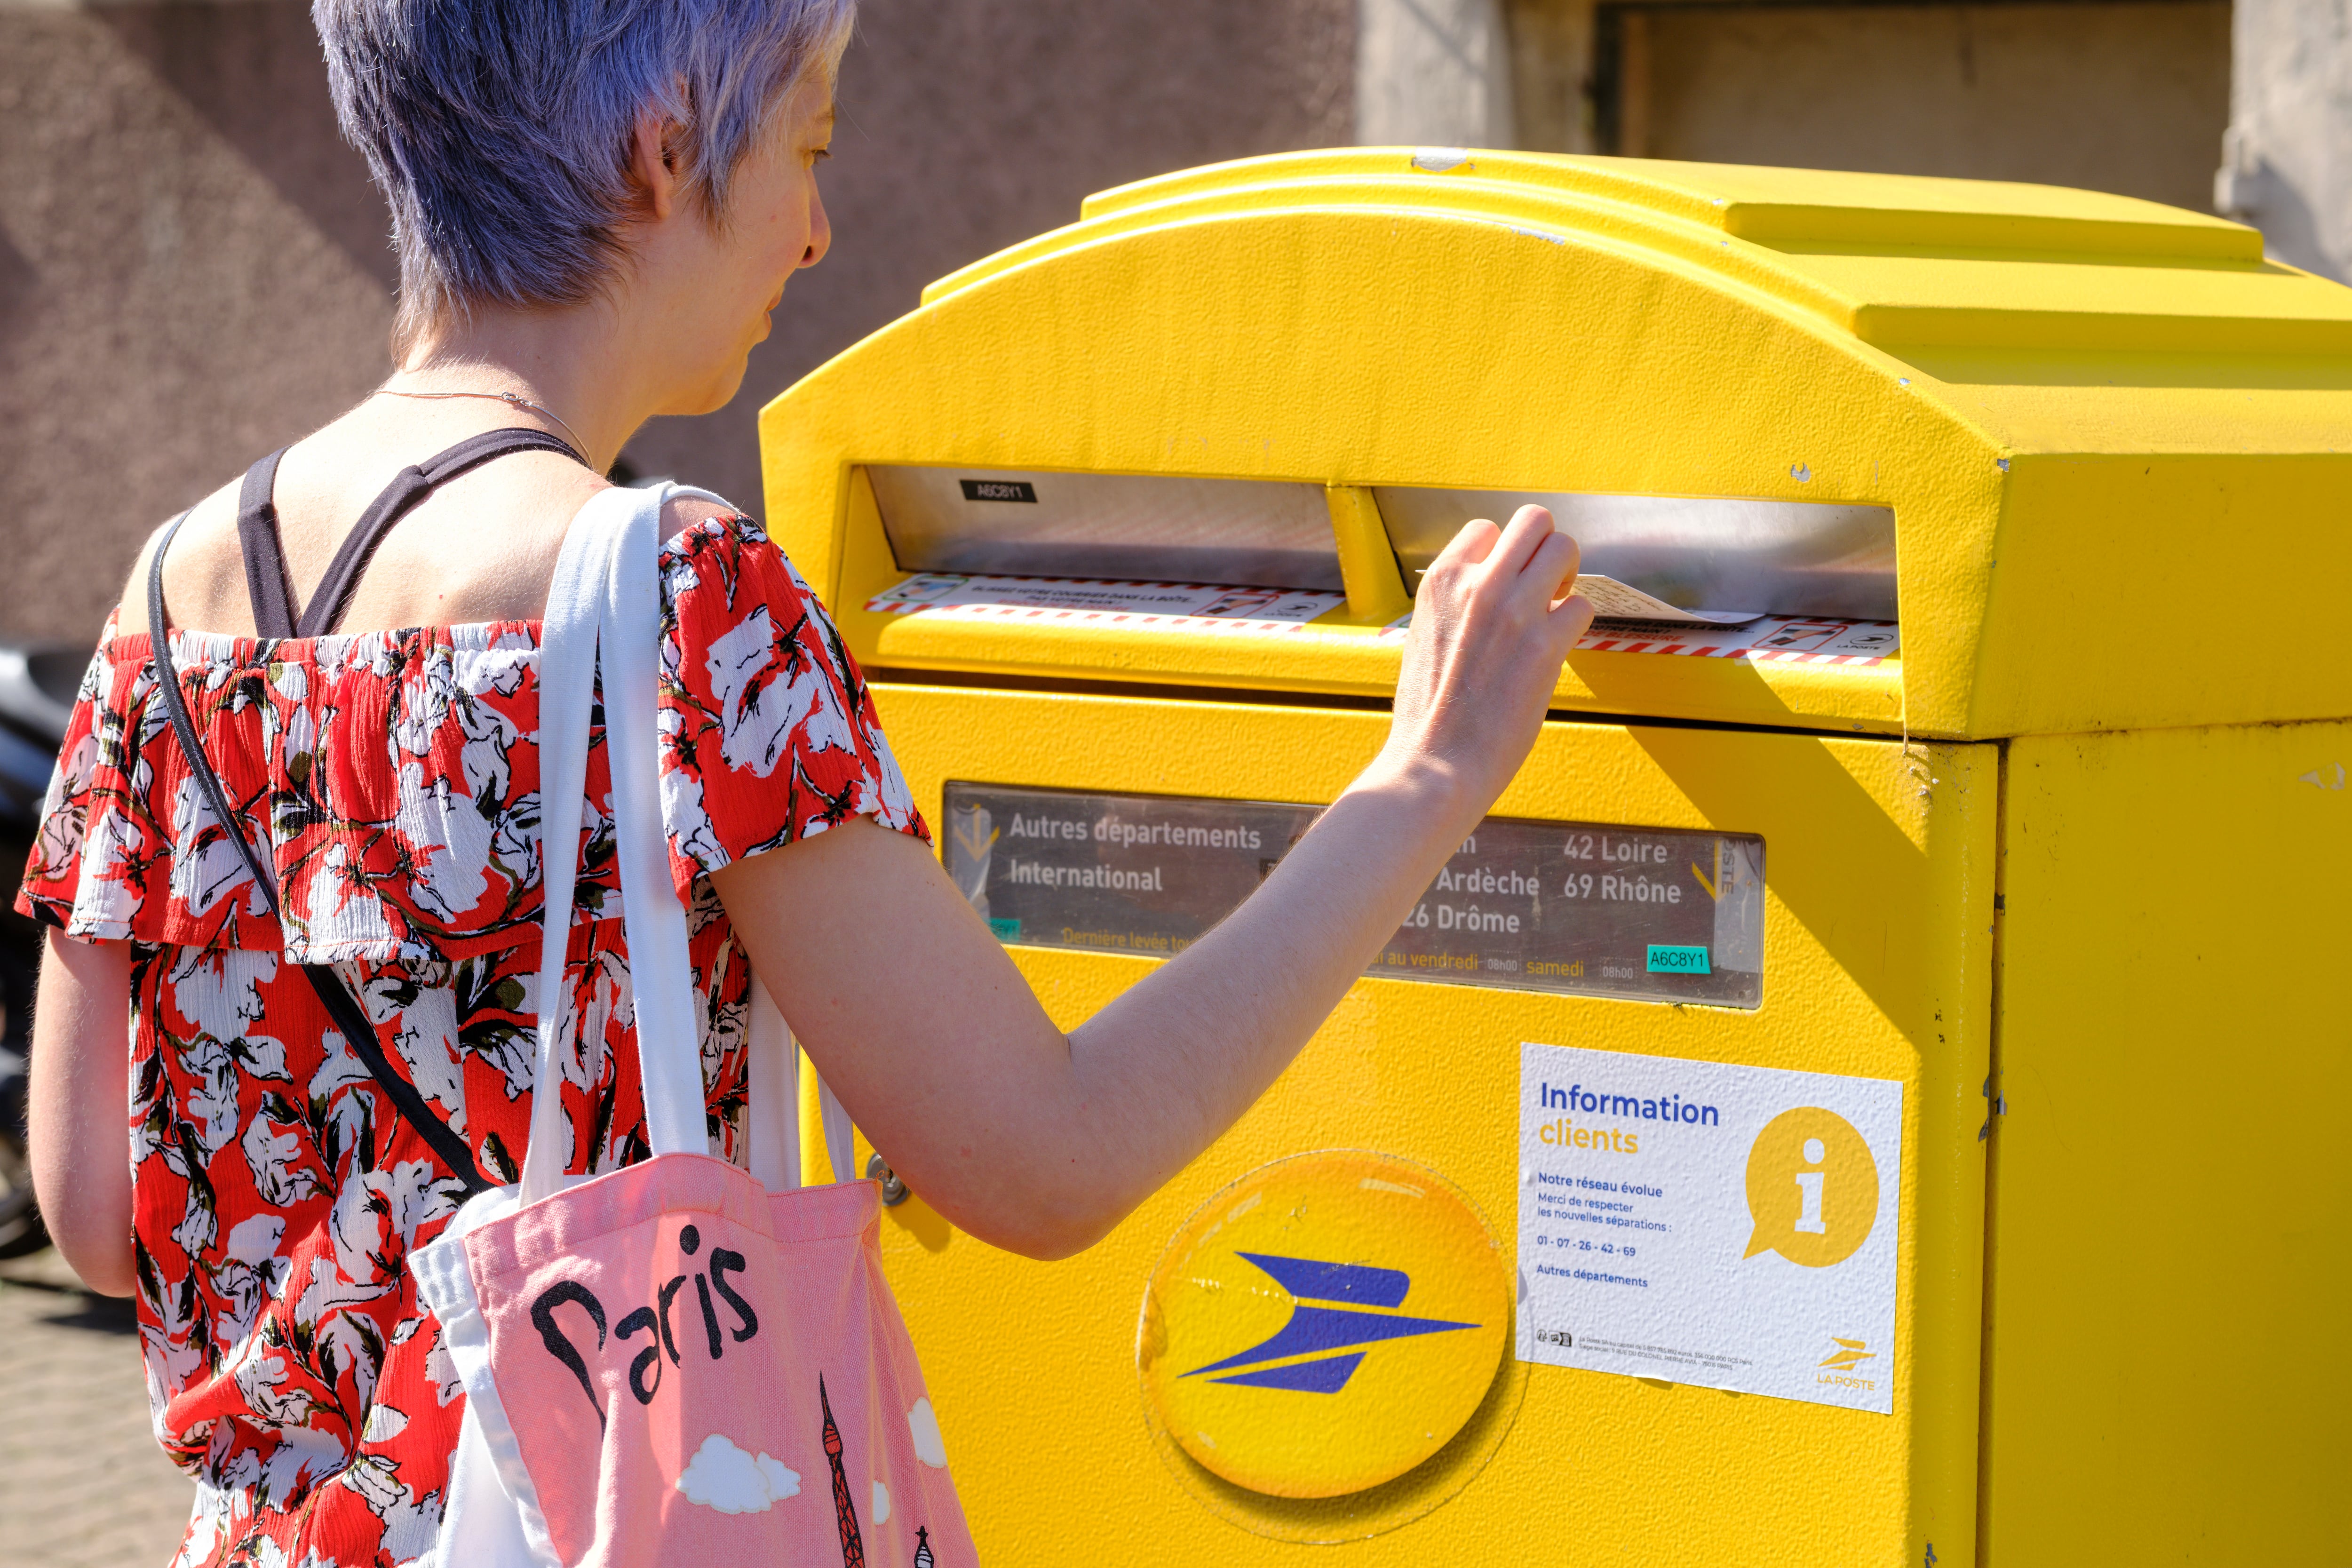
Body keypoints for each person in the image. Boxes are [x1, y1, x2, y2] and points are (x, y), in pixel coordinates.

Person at [22, 1, 1595, 1562]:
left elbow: (98, 1215)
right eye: (808, 147)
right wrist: (1428, 776)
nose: (818, 229)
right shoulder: (681, 598)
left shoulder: (165, 604)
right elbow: (1049, 1163)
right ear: (662, 156)